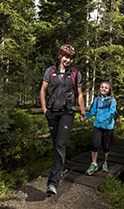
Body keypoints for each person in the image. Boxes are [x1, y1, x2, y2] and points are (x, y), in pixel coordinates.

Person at [40, 44, 86, 196]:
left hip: (67, 112)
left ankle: (53, 183)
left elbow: (79, 94)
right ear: (60, 56)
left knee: (60, 144)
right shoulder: (50, 71)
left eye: (71, 58)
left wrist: (82, 111)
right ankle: (64, 165)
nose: (68, 60)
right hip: (52, 112)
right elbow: (43, 90)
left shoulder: (75, 73)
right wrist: (45, 110)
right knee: (56, 142)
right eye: (66, 56)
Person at [80, 81, 116, 176]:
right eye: (102, 87)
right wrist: (85, 118)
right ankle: (94, 163)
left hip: (108, 127)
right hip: (98, 126)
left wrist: (101, 119)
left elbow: (111, 113)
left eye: (106, 88)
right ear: (99, 89)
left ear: (109, 90)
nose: (103, 89)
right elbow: (92, 111)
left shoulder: (112, 100)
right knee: (95, 144)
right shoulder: (97, 100)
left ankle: (105, 162)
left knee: (106, 146)